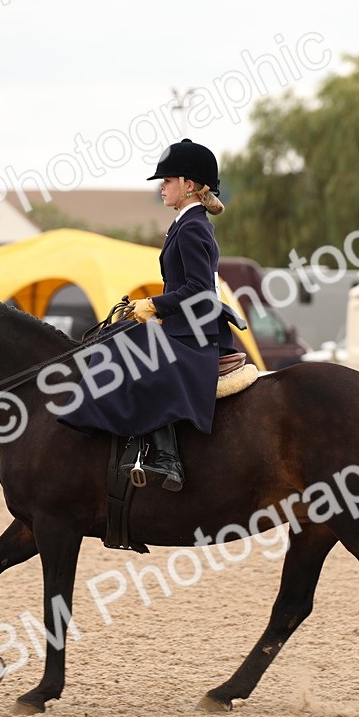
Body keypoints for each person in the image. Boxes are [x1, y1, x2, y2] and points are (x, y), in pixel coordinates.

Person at [58, 138, 245, 491]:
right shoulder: (185, 223)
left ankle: (166, 458)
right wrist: (151, 311)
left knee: (130, 350)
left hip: (196, 335)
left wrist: (153, 306)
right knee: (118, 334)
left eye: (168, 181)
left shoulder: (192, 227)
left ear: (189, 186)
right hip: (184, 325)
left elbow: (199, 291)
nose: (162, 187)